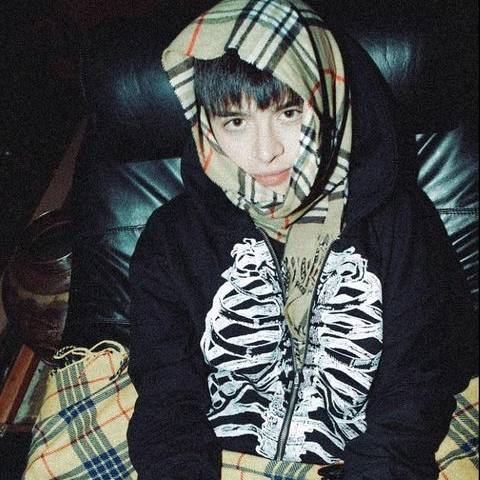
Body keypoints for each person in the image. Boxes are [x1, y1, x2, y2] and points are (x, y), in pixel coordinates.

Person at [126, 0, 473, 478]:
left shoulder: (400, 224)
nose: (266, 151)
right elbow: (167, 391)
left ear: (328, 103)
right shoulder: (171, 239)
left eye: (289, 113)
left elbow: (415, 383)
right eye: (235, 121)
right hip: (218, 459)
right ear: (206, 127)